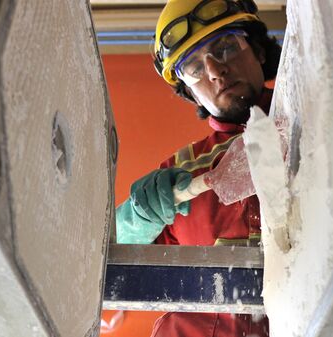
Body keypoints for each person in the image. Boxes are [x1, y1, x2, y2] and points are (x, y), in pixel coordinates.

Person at [115, 0, 281, 335]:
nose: (216, 71)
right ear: (190, 93)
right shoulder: (180, 174)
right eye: (194, 69)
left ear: (259, 51)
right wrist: (137, 217)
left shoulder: (316, 126)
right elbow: (108, 262)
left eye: (226, 48)